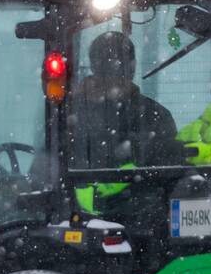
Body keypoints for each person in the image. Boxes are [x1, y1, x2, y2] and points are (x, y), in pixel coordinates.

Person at [67, 31, 178, 212]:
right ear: (132, 67)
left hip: (80, 219)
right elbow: (171, 169)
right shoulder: (155, 114)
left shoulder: (68, 112)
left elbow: (48, 167)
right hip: (145, 222)